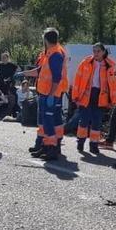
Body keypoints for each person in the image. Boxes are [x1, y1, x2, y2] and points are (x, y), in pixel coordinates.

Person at [21, 28, 69, 161]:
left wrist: (52, 95)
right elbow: (41, 71)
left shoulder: (55, 55)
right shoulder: (51, 53)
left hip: (50, 93)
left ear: (46, 40)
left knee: (48, 121)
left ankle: (52, 148)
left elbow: (56, 77)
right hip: (46, 92)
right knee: (45, 121)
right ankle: (45, 145)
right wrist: (24, 73)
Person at [71, 43, 116, 155]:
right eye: (94, 51)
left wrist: (113, 100)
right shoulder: (86, 62)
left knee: (96, 122)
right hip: (86, 95)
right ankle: (81, 142)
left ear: (103, 52)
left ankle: (93, 145)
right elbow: (77, 79)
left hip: (101, 96)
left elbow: (114, 84)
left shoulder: (110, 65)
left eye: (98, 51)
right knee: (84, 121)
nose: (95, 54)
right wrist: (75, 96)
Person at [0, 52, 19, 117]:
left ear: (8, 58)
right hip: (2, 83)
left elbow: (16, 72)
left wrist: (10, 78)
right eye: (2, 58)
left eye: (4, 58)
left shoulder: (12, 65)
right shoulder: (0, 65)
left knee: (11, 98)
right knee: (2, 98)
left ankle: (12, 112)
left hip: (10, 84)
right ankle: (3, 112)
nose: (3, 59)